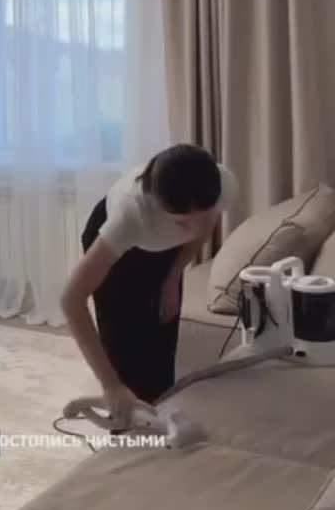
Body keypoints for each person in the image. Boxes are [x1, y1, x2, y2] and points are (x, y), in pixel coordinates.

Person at [61, 143, 238, 426]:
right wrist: (111, 387)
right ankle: (125, 430)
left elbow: (199, 233)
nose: (197, 229)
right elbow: (71, 299)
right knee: (128, 358)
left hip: (163, 247)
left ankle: (157, 424)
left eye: (205, 217)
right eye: (184, 223)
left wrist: (173, 275)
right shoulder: (131, 216)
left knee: (160, 347)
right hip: (122, 254)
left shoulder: (222, 184)